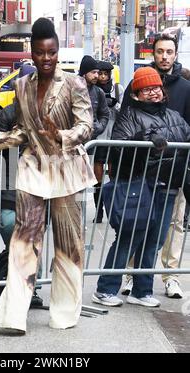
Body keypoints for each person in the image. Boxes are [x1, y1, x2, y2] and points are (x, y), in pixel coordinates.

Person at [0, 18, 96, 333]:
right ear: (31, 53)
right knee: (23, 242)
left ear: (57, 51)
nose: (46, 59)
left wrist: (61, 135)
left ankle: (63, 314)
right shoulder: (22, 86)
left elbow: (86, 127)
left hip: (65, 169)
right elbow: (22, 131)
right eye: (39, 53)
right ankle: (13, 316)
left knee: (68, 245)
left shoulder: (75, 84)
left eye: (51, 53)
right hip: (33, 170)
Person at [92, 67, 190, 308]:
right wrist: (147, 138)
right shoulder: (129, 116)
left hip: (167, 187)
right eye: (147, 89)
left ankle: (142, 290)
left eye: (156, 87)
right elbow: (120, 147)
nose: (153, 92)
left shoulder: (175, 116)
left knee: (154, 240)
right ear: (136, 94)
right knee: (129, 236)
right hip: (139, 185)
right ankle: (106, 288)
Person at [121, 34, 190, 299]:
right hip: (143, 171)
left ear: (175, 54)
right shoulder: (137, 83)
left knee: (175, 225)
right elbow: (124, 124)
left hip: (175, 171)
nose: (164, 56)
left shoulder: (185, 87)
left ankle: (171, 276)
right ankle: (129, 274)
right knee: (137, 222)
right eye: (160, 51)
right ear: (154, 53)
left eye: (169, 52)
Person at [0, 65, 43, 308]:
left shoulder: (45, 112)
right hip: (10, 182)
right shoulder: (8, 112)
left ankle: (30, 288)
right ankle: (14, 276)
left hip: (38, 185)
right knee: (8, 227)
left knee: (34, 237)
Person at [78, 56, 110, 223]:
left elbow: (105, 114)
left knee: (97, 179)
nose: (97, 75)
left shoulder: (98, 92)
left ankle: (98, 211)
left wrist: (98, 128)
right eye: (94, 72)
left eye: (98, 72)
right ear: (84, 73)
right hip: (75, 143)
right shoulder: (71, 88)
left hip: (93, 142)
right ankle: (76, 213)